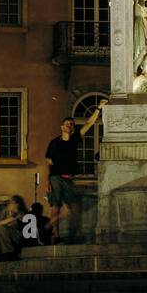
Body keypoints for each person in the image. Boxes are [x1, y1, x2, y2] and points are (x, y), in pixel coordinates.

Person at [45, 103, 104, 243]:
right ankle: (55, 235)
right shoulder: (54, 143)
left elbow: (89, 123)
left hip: (69, 178)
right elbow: (48, 163)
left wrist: (98, 108)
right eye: (66, 124)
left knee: (73, 207)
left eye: (71, 124)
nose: (69, 126)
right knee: (55, 206)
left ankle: (73, 234)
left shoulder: (75, 139)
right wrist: (47, 181)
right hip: (56, 177)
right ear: (61, 127)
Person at [0, 195, 28, 261]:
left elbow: (5, 222)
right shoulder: (9, 213)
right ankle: (1, 254)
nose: (8, 204)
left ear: (17, 204)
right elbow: (2, 221)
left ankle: (9, 253)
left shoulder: (20, 212)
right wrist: (5, 211)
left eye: (10, 202)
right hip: (11, 236)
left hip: (20, 237)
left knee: (1, 228)